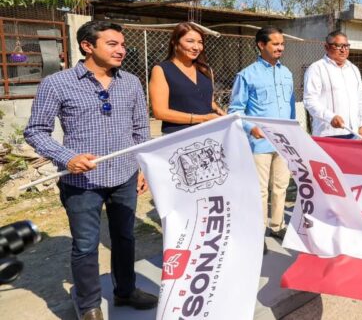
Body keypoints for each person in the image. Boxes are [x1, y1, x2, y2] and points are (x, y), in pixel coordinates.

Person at [24, 21, 157, 320]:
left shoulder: (132, 83)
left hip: (124, 176)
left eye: (122, 44)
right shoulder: (57, 83)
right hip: (80, 181)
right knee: (85, 245)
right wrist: (67, 157)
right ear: (87, 46)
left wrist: (141, 168)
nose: (121, 49)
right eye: (112, 44)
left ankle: (125, 290)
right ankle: (89, 306)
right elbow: (35, 131)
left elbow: (140, 130)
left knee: (125, 237)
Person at [228, 26, 295, 240]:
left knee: (280, 186)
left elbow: (291, 107)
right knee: (259, 191)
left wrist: (294, 132)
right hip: (260, 143)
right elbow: (235, 110)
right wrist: (250, 127)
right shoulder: (246, 75)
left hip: (283, 142)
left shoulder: (287, 73)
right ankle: (257, 233)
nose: (280, 48)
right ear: (261, 45)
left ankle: (277, 226)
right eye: (275, 44)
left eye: (282, 44)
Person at [149, 22, 224, 134]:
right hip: (179, 137)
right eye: (190, 41)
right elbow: (159, 112)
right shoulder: (161, 70)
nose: (196, 47)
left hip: (208, 133)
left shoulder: (205, 70)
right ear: (175, 43)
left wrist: (219, 110)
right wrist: (202, 118)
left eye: (200, 42)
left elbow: (205, 100)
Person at [303, 31, 362, 139]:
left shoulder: (353, 69)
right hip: (328, 133)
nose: (343, 50)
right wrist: (330, 117)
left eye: (346, 46)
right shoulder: (317, 68)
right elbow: (310, 100)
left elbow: (360, 98)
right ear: (326, 47)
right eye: (338, 46)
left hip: (354, 133)